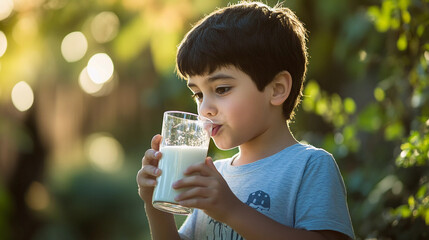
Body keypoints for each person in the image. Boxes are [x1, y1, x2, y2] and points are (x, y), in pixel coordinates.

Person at [136, 1, 355, 239]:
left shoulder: (309, 166)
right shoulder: (214, 175)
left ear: (277, 89)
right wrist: (155, 205)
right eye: (198, 94)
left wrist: (231, 210)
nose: (205, 109)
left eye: (221, 89)